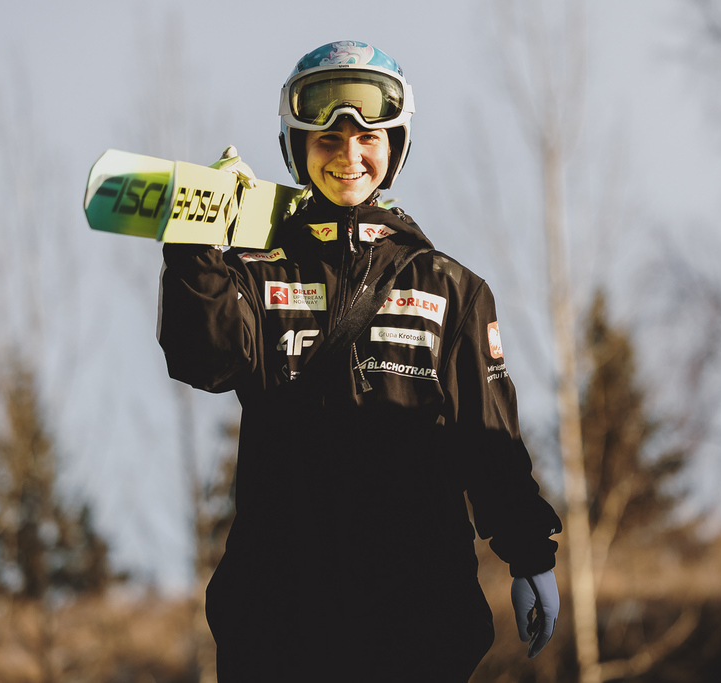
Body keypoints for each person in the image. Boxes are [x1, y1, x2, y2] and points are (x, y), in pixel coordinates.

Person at [157, 40, 562, 683]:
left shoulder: (449, 287)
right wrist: (194, 245)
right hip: (281, 618)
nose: (349, 156)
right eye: (328, 141)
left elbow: (489, 441)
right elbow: (203, 359)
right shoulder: (257, 276)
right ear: (297, 148)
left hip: (418, 616)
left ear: (395, 147)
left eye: (368, 139)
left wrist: (530, 556)